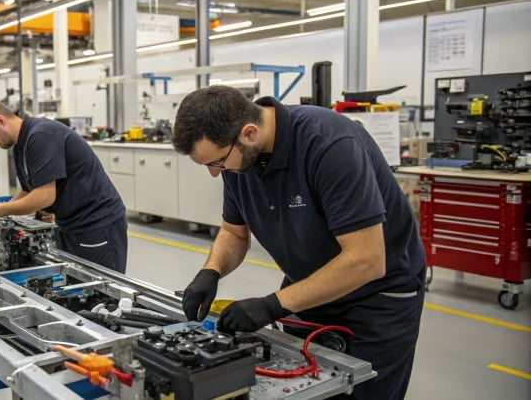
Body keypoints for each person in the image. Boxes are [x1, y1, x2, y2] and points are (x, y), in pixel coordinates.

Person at [172, 86, 425, 400]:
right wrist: (210, 272)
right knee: (304, 389)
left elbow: (366, 260)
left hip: (378, 298)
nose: (214, 173)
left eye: (217, 162)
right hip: (310, 289)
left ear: (249, 133)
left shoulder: (330, 145)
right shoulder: (238, 158)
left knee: (363, 391)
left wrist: (273, 304)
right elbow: (234, 232)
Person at [0, 100, 128, 273]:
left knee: (103, 291)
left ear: (0, 121)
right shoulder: (20, 146)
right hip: (69, 225)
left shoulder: (41, 135)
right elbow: (29, 191)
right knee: (77, 288)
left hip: (97, 224)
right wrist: (1, 217)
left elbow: (45, 196)